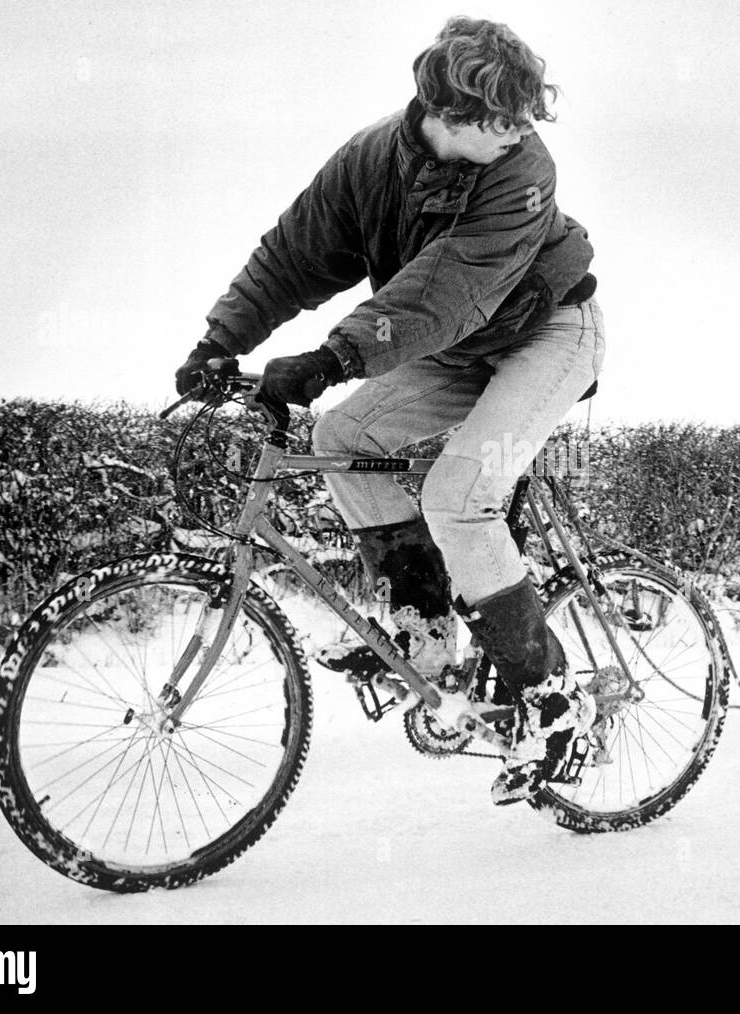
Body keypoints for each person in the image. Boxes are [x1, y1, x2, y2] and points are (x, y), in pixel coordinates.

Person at [174, 16, 605, 805]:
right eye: (502, 122)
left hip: (547, 332)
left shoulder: (524, 173)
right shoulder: (371, 162)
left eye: (523, 121)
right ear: (443, 111)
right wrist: (219, 340)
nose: (518, 134)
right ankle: (427, 634)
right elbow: (293, 254)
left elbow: (446, 291)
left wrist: (333, 357)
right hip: (458, 345)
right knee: (345, 433)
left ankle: (552, 700)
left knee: (457, 495)